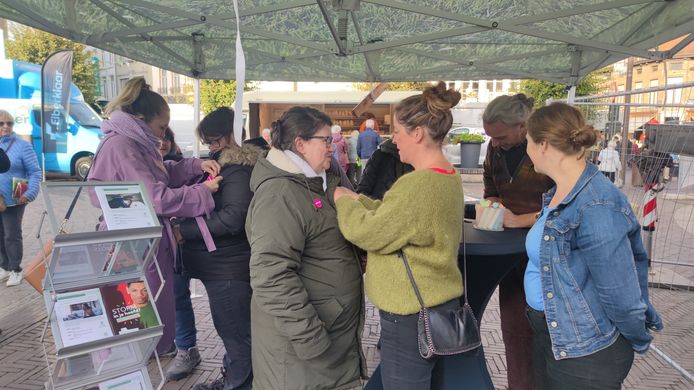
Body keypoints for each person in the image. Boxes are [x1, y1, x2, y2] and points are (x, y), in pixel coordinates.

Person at [334, 81, 465, 389]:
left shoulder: (417, 185)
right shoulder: (448, 176)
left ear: (417, 133)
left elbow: (370, 232)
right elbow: (400, 219)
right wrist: (362, 201)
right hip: (436, 303)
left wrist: (343, 203)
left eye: (398, 131)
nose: (395, 139)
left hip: (410, 311)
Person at [523, 102, 662, 389]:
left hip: (586, 351)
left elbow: (620, 293)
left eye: (528, 141)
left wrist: (638, 338)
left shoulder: (596, 204)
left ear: (544, 145)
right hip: (557, 336)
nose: (526, 150)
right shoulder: (560, 193)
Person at [87, 77, 222, 357]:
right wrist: (202, 192)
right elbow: (154, 196)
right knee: (132, 333)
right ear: (140, 117)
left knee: (138, 329)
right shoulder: (125, 146)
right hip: (132, 251)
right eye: (161, 127)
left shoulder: (132, 143)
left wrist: (194, 165)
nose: (162, 136)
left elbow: (160, 175)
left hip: (137, 247)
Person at [245, 106, 365, 390]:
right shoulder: (280, 194)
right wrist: (311, 338)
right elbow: (270, 275)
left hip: (326, 340)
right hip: (303, 349)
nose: (332, 147)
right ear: (300, 144)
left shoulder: (313, 183)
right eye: (325, 140)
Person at [174, 107, 260, 390]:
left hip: (228, 268)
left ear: (232, 136)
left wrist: (183, 231)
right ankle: (232, 379)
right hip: (223, 266)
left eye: (215, 140)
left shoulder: (238, 170)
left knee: (236, 334)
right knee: (234, 333)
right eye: (208, 142)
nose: (211, 147)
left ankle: (237, 385)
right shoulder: (227, 165)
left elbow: (234, 218)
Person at [482, 93, 554, 390]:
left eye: (500, 136)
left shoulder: (548, 147)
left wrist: (520, 219)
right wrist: (493, 206)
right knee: (514, 330)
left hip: (547, 253)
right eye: (491, 137)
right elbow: (491, 187)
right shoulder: (494, 149)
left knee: (543, 330)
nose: (495, 143)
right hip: (510, 256)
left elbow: (566, 204)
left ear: (523, 126)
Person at [0, 110, 41, 287]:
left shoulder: (23, 146)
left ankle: (16, 269)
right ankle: (4, 266)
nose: (6, 127)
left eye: (9, 123)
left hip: (15, 197)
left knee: (11, 235)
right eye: (1, 123)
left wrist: (29, 192)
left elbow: (34, 172)